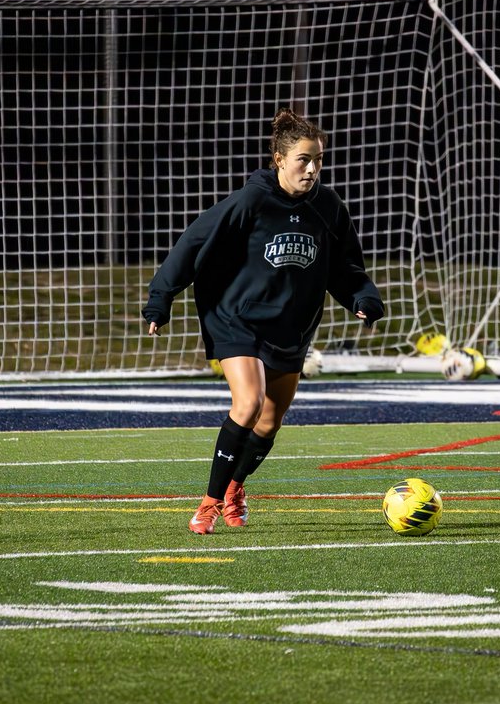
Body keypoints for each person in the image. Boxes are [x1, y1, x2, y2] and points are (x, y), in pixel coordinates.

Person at [143, 107, 384, 534]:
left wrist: (362, 297)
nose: (312, 169)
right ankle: (210, 503)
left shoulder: (328, 206)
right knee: (249, 403)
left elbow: (346, 268)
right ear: (279, 161)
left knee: (271, 420)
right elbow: (193, 242)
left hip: (291, 325)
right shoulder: (251, 200)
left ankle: (236, 487)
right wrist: (161, 298)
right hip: (236, 318)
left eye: (318, 160)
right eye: (303, 160)